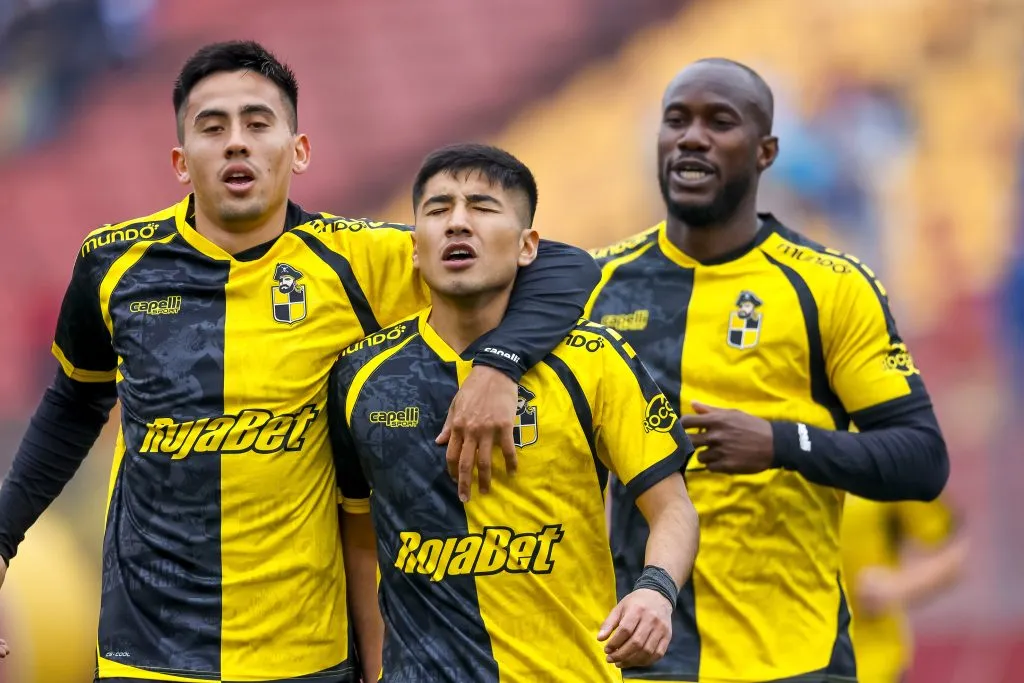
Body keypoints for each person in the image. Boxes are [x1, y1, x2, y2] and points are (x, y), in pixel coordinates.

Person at [0, 41, 599, 683]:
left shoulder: (361, 265)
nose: (237, 143)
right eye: (213, 127)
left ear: (299, 150)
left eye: (258, 124)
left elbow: (564, 265)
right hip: (147, 657)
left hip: (306, 658)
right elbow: (72, 405)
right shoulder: (114, 268)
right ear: (180, 161)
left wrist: (497, 366)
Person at [585, 58, 950, 683]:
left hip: (794, 658)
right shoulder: (594, 286)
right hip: (639, 654)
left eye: (719, 121)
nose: (692, 137)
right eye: (676, 120)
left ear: (766, 151)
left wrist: (783, 441)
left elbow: (922, 459)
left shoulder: (831, 287)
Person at [329, 143, 700, 682]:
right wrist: (375, 669)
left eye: (481, 207)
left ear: (528, 246)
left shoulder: (592, 359)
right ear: (414, 249)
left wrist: (655, 591)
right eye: (437, 210)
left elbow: (674, 509)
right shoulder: (360, 376)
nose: (457, 223)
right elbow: (359, 538)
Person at [841, 495, 967, 683]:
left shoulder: (886, 470)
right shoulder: (785, 473)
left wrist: (897, 587)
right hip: (792, 656)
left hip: (869, 661)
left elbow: (954, 553)